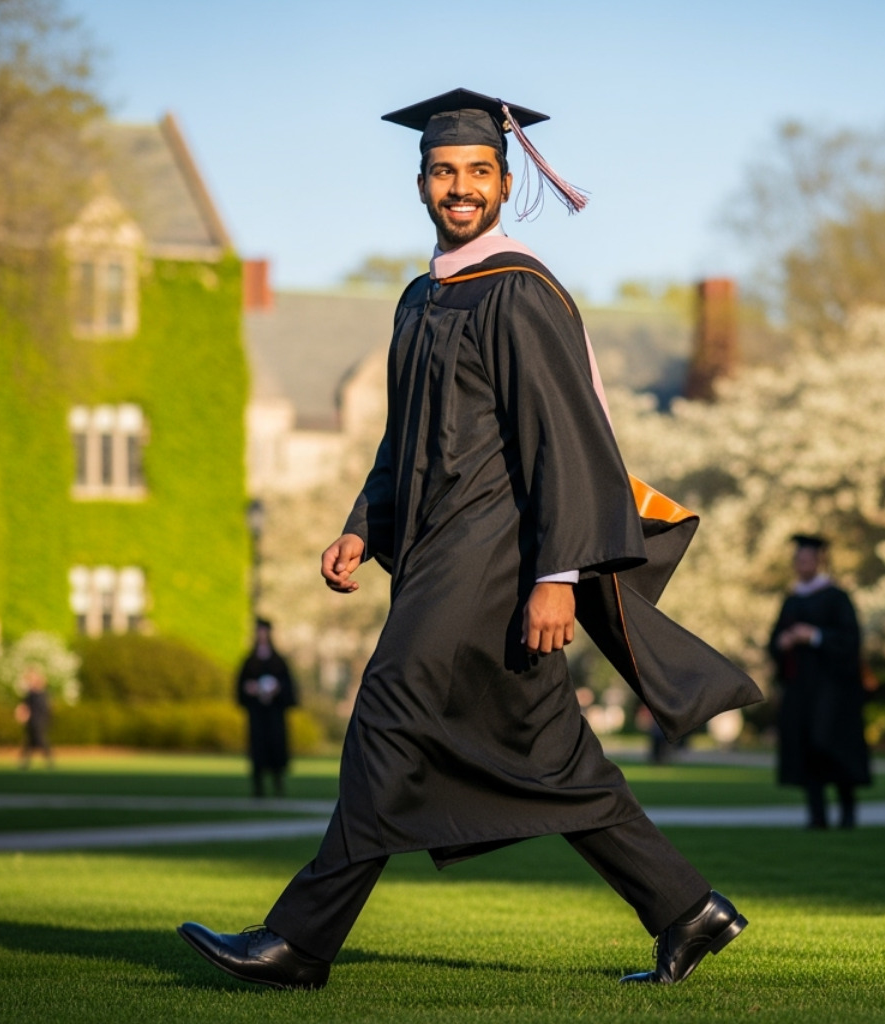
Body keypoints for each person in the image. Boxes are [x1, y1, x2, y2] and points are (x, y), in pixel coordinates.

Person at [179, 88, 762, 991]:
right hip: (433, 553)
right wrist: (359, 527)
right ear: (421, 182)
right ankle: (688, 910)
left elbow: (567, 440)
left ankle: (301, 940)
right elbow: (404, 438)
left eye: (478, 172)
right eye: (445, 171)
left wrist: (558, 575)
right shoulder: (420, 299)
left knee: (387, 717)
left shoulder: (522, 293)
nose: (461, 186)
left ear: (504, 182)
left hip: (495, 557)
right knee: (553, 756)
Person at [770, 534, 871, 829]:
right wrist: (783, 641)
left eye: (807, 559)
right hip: (801, 690)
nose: (801, 564)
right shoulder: (790, 600)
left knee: (832, 746)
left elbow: (851, 641)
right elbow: (773, 643)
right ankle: (817, 815)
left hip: (834, 691)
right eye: (798, 559)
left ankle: (848, 814)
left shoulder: (837, 598)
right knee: (807, 749)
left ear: (819, 561)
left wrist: (814, 636)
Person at [236, 617, 297, 798]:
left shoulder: (278, 661)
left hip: (274, 713)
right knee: (258, 749)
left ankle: (278, 785)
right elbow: (241, 685)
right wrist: (251, 689)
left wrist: (278, 689)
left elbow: (288, 685)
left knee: (276, 746)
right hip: (257, 713)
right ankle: (258, 787)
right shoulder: (249, 661)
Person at [15, 666, 54, 769]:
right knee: (30, 741)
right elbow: (24, 705)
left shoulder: (41, 693)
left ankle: (49, 760)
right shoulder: (30, 694)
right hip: (33, 720)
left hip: (39, 719)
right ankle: (25, 762)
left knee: (39, 739)